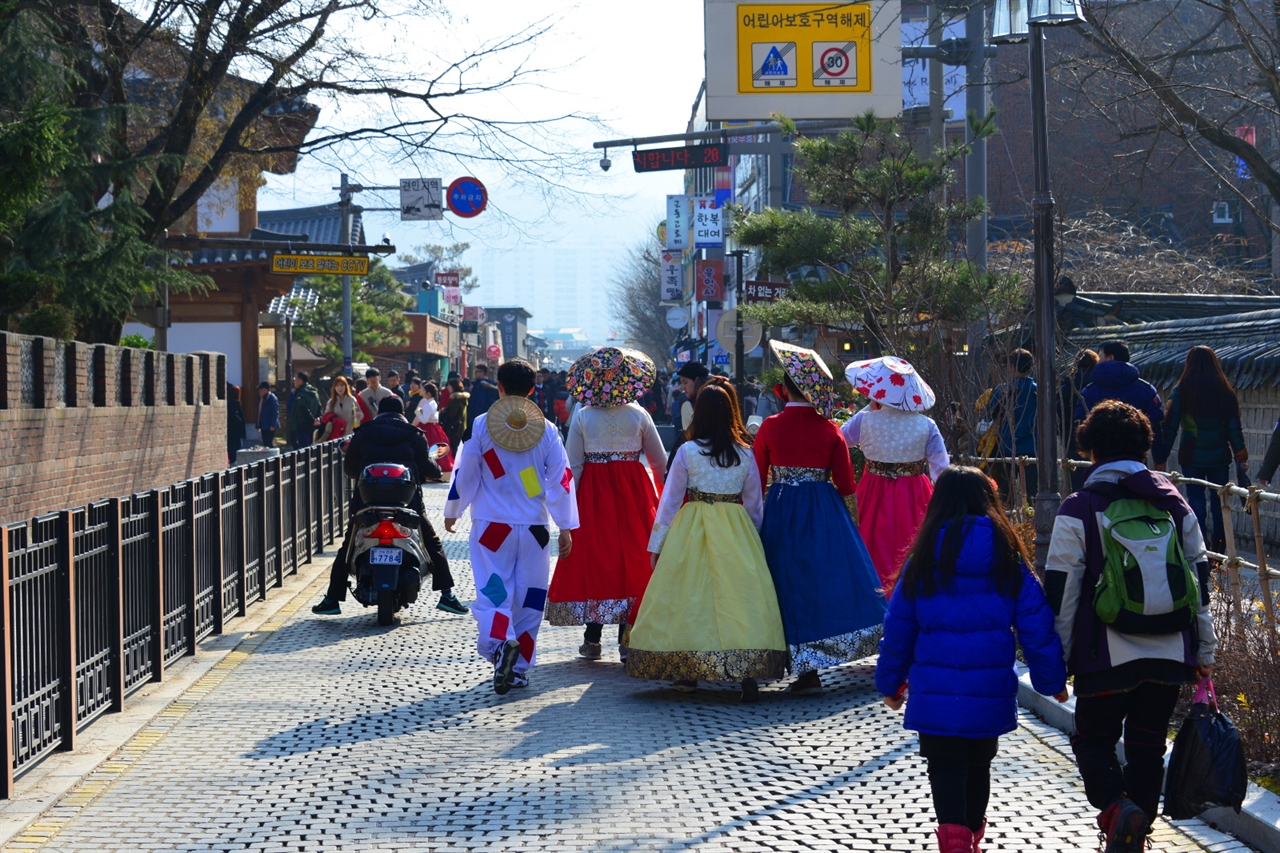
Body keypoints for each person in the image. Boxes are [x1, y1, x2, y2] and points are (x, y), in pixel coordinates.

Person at [1046, 400, 1215, 851]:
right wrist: (1205, 651)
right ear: (1144, 448)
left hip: (1106, 655)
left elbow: (1063, 590)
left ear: (1092, 451)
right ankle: (1136, 840)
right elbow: (1199, 582)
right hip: (1169, 650)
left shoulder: (1079, 507)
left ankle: (1117, 810)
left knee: (1092, 738)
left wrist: (1056, 658)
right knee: (1147, 745)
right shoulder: (1175, 505)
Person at [877, 466, 1067, 853]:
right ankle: (971, 839)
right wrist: (1051, 682)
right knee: (979, 765)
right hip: (988, 688)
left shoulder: (923, 560)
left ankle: (955, 843)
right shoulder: (1007, 557)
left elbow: (898, 630)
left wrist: (890, 684)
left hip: (936, 691)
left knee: (944, 767)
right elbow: (1037, 626)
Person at [625, 380, 787, 703]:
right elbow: (755, 505)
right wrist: (751, 538)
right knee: (740, 599)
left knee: (688, 597)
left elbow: (670, 501)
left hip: (693, 527)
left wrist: (656, 545)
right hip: (734, 527)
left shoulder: (687, 452)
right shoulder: (744, 453)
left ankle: (687, 673)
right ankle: (746, 671)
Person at [754, 345, 885, 695]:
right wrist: (851, 523)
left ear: (783, 389)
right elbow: (845, 483)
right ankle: (813, 666)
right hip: (824, 512)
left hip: (781, 508)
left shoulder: (770, 426)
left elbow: (756, 476)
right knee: (822, 581)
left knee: (781, 582)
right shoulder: (829, 429)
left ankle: (779, 657)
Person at [444, 360, 579, 694]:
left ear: (499, 386)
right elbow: (561, 480)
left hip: (493, 526)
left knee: (494, 591)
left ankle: (502, 641)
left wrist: (454, 509)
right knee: (531, 597)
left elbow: (468, 471)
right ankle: (519, 670)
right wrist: (565, 525)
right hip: (535, 528)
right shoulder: (547, 430)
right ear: (533, 390)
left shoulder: (481, 425)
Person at [547, 349, 667, 662]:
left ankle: (592, 637)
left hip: (594, 492)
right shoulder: (639, 414)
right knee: (635, 557)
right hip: (634, 492)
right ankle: (628, 638)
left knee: (596, 558)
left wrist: (569, 507)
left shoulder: (583, 415)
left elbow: (573, 465)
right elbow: (659, 461)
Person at [312, 395, 470, 618]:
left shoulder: (363, 433)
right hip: (409, 503)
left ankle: (332, 598)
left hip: (366, 504)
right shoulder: (414, 435)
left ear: (380, 413)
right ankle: (447, 595)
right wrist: (435, 471)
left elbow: (350, 468)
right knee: (432, 542)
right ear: (402, 414)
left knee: (347, 547)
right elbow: (427, 465)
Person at [842, 357, 950, 589]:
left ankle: (872, 598)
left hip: (874, 487)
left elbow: (840, 440)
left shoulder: (865, 419)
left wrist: (870, 407)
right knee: (914, 541)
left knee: (871, 542)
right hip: (914, 490)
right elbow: (941, 467)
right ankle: (913, 592)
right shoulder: (927, 424)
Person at [1154, 345, 1248, 554]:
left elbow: (1170, 427)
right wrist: (1241, 455)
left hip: (1191, 454)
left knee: (1195, 500)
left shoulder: (1182, 390)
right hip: (1219, 456)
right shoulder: (1226, 391)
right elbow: (1234, 428)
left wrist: (1161, 455)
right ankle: (1220, 548)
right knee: (1219, 501)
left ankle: (1200, 548)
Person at [1075, 340, 1164, 458]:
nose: (1098, 361)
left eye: (1100, 356)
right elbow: (1158, 423)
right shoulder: (1146, 389)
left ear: (1110, 358)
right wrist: (1160, 457)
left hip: (1101, 456)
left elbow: (1080, 423)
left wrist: (1084, 453)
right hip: (1135, 455)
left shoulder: (1089, 391)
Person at [985, 349, 1038, 503]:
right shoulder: (1038, 391)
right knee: (1032, 493)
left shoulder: (1002, 390)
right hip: (1032, 448)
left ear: (1013, 367)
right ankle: (1030, 523)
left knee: (1005, 494)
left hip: (1006, 446)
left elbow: (989, 416)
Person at [1061, 349, 1099, 492]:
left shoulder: (1068, 385)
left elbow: (1059, 409)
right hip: (1097, 436)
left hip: (1073, 436)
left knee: (1077, 479)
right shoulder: (1098, 384)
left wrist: (1063, 430)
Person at [412, 382, 454, 473]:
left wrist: (418, 412)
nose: (421, 390)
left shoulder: (428, 404)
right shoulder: (433, 402)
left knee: (429, 449)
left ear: (428, 393)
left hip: (428, 429)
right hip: (434, 427)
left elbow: (424, 420)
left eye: (423, 390)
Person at [463, 364, 500, 441]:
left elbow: (480, 402)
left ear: (483, 372)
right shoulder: (491, 384)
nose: (476, 373)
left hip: (478, 414)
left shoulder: (480, 385)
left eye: (478, 371)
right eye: (476, 371)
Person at [289, 372, 322, 450]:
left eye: (295, 379)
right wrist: (318, 418)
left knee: (303, 449)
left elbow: (303, 408)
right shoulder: (314, 392)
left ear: (300, 380)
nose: (294, 381)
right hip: (314, 425)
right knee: (312, 448)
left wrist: (312, 420)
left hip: (303, 424)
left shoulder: (301, 393)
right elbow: (320, 407)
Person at [322, 375, 360, 440]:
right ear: (334, 388)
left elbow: (358, 414)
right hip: (335, 435)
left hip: (349, 434)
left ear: (346, 386)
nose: (340, 388)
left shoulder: (352, 400)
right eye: (337, 386)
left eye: (342, 385)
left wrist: (358, 416)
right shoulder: (331, 402)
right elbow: (326, 418)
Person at [439, 379, 469, 452]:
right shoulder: (463, 399)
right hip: (461, 427)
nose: (448, 388)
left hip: (454, 428)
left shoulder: (455, 399)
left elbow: (452, 414)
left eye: (449, 386)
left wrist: (443, 412)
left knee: (453, 449)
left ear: (454, 387)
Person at [226, 383, 245, 463]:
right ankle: (235, 462)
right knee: (237, 447)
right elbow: (234, 415)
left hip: (231, 431)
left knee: (233, 447)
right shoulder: (234, 403)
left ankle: (233, 461)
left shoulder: (230, 402)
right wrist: (240, 421)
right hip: (235, 431)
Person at [256, 381, 279, 447]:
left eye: (261, 389)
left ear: (266, 389)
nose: (260, 391)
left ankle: (274, 456)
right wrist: (258, 425)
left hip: (269, 425)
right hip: (264, 424)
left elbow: (275, 412)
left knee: (269, 442)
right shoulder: (262, 398)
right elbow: (259, 412)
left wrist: (273, 425)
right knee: (265, 443)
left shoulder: (272, 398)